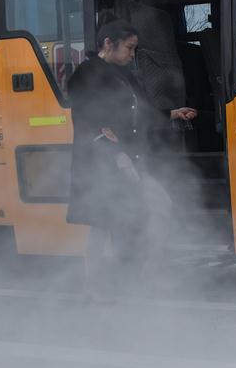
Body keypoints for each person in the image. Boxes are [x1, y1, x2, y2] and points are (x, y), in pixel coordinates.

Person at [66, 19, 197, 302]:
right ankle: (94, 287)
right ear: (108, 44)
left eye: (135, 49)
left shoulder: (123, 74)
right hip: (103, 165)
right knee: (103, 224)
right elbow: (89, 123)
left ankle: (142, 277)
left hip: (130, 160)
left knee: (157, 207)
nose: (132, 55)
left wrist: (173, 113)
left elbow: (142, 112)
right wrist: (117, 157)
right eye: (129, 48)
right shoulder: (86, 75)